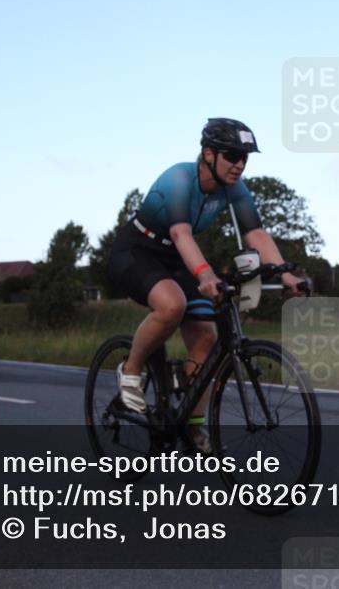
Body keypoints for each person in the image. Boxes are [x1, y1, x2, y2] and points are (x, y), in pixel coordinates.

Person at [107, 118, 306, 454]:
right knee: (172, 305)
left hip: (176, 258)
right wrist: (205, 274)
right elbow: (180, 234)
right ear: (208, 153)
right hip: (137, 252)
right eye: (232, 155)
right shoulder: (179, 179)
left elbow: (255, 234)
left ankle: (190, 425)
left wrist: (287, 275)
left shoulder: (235, 188)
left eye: (245, 157)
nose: (239, 164)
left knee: (207, 336)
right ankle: (130, 371)